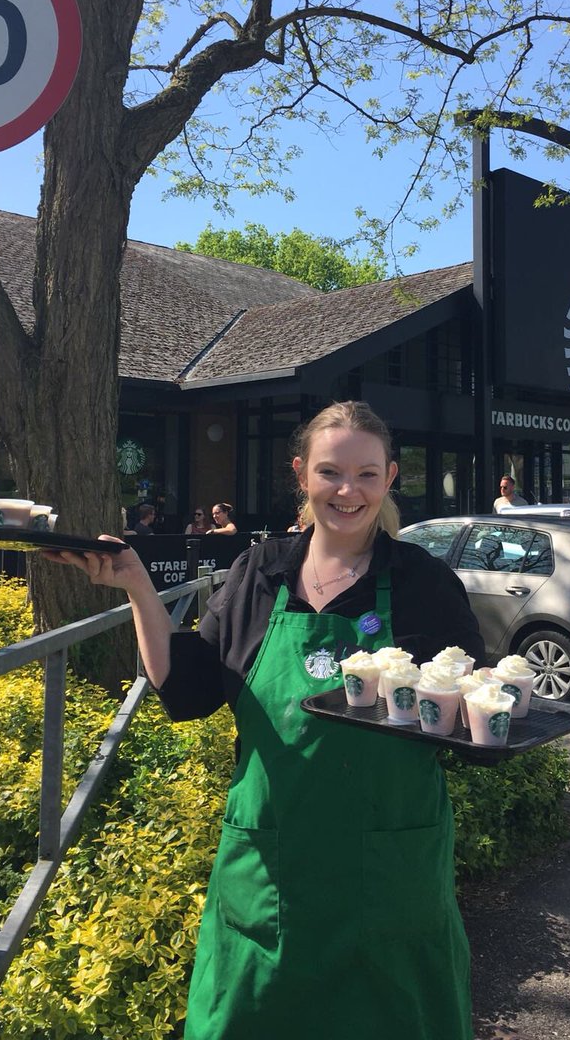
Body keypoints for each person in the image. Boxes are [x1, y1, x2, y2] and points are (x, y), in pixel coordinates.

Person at [44, 400, 483, 1040]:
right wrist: (138, 585)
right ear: (302, 474)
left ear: (389, 479)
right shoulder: (260, 573)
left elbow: (469, 699)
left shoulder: (424, 583)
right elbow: (190, 689)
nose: (347, 490)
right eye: (331, 472)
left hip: (388, 868)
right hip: (271, 865)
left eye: (366, 474)